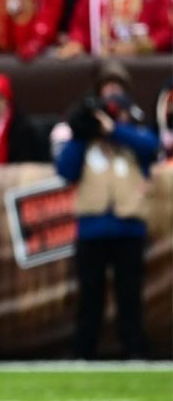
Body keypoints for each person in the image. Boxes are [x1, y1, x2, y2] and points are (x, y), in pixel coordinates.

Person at [56, 90, 158, 358]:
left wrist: (115, 130)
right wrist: (81, 133)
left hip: (129, 228)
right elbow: (65, 170)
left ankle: (134, 348)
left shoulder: (134, 140)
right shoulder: (85, 143)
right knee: (90, 295)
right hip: (92, 229)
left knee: (130, 295)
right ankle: (84, 349)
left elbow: (151, 147)